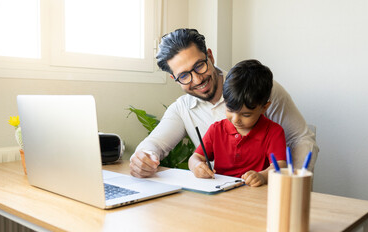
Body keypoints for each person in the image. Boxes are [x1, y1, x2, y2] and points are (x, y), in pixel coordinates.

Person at [129, 28, 318, 178]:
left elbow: (301, 140)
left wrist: (289, 185)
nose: (196, 80)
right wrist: (143, 159)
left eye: (199, 66)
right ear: (174, 79)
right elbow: (154, 144)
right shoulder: (182, 109)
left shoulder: (260, 89)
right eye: (184, 76)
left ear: (210, 56)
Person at [188, 59, 287, 187]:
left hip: (254, 194)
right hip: (221, 192)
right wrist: (197, 166)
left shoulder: (273, 132)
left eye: (246, 115)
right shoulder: (216, 130)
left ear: (264, 107)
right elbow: (195, 158)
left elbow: (280, 166)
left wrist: (262, 176)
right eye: (230, 109)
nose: (235, 119)